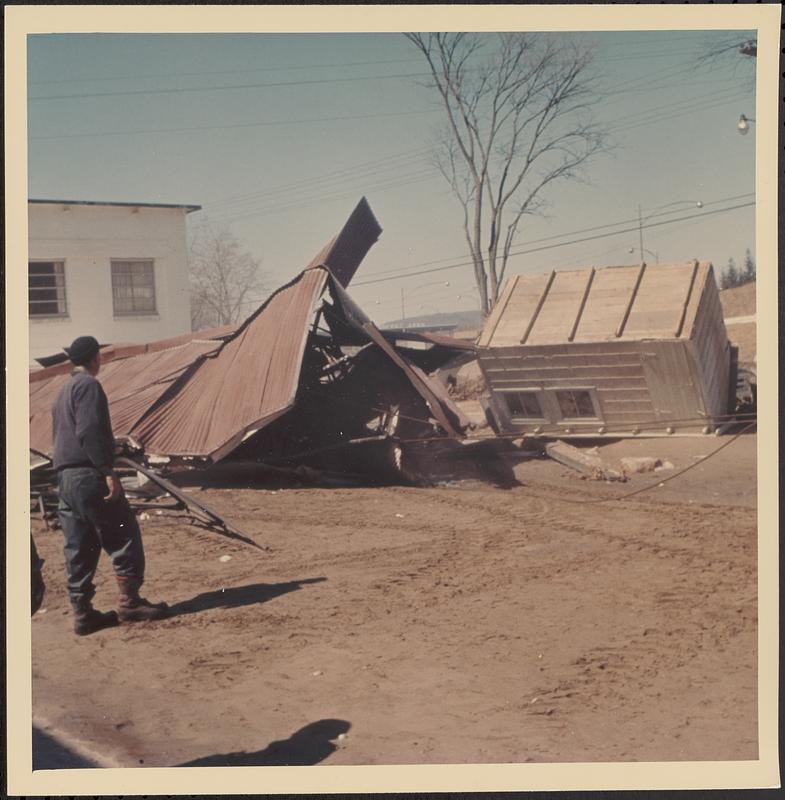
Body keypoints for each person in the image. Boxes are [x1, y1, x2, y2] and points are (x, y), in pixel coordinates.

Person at [52, 335, 168, 636]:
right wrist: (107, 471)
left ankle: (82, 613)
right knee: (123, 533)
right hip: (88, 475)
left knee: (78, 544)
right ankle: (130, 603)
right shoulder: (89, 385)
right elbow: (88, 429)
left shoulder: (62, 392)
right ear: (95, 358)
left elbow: (69, 435)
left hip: (65, 478)